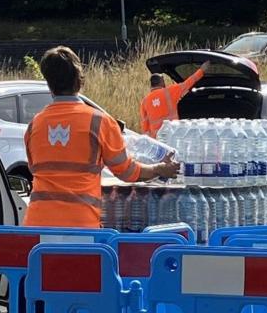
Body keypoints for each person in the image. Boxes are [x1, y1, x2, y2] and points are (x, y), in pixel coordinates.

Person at [26, 46, 179, 229]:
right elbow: (127, 171)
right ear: (79, 80)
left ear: (49, 84)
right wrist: (159, 169)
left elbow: (36, 169)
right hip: (80, 226)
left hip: (36, 225)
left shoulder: (34, 125)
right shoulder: (99, 122)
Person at [139, 60, 210, 137]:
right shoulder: (169, 92)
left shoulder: (145, 102)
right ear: (162, 82)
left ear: (151, 85)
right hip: (172, 135)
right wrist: (201, 70)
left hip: (157, 140)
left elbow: (145, 127)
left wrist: (151, 142)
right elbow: (187, 83)